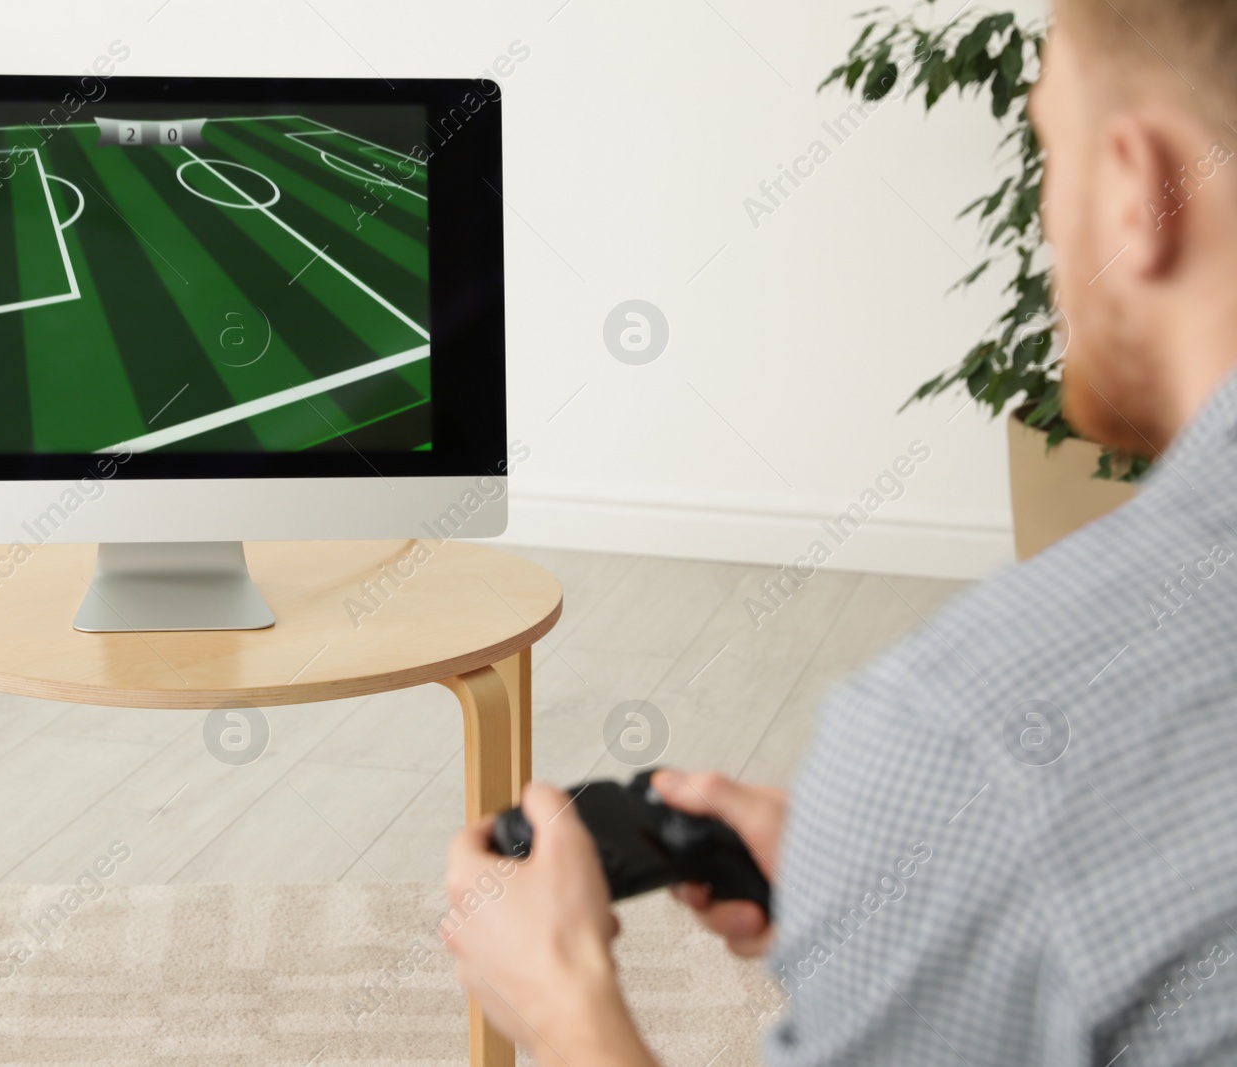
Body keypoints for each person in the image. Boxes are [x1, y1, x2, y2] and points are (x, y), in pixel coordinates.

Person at [443, 1, 1237, 1062]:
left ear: (1141, 185)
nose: (1046, 219)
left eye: (1051, 150)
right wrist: (912, 889)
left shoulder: (967, 731)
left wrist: (563, 1004)